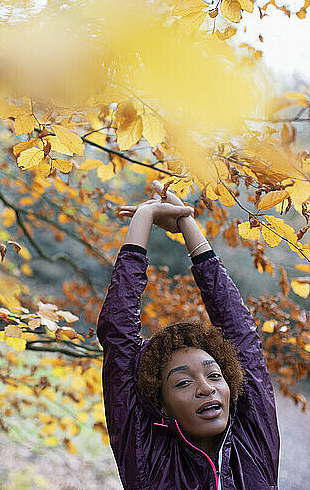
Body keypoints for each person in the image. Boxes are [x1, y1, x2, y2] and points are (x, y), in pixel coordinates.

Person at [97, 180, 280, 490]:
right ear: (161, 404)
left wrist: (187, 221)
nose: (206, 389)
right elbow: (117, 332)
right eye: (183, 382)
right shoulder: (146, 455)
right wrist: (144, 217)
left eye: (214, 375)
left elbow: (240, 333)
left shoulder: (254, 441)